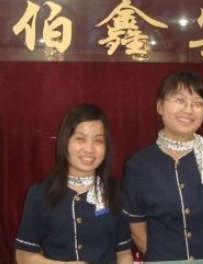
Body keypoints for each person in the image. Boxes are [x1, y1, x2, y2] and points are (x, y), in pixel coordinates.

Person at [122, 71, 203, 261]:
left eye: (197, 103)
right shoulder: (138, 165)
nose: (188, 110)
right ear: (159, 106)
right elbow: (137, 228)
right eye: (179, 100)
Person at [14, 103, 133, 264]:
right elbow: (23, 256)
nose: (89, 149)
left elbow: (124, 254)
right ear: (65, 142)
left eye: (98, 141)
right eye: (80, 139)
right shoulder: (39, 194)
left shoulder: (117, 193)